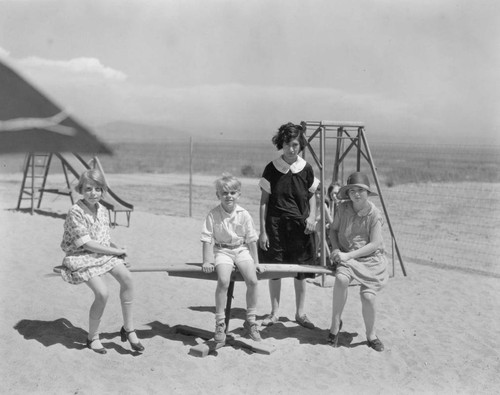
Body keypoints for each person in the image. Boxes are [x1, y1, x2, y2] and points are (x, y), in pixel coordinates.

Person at [60, 169, 144, 354]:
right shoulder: (75, 211)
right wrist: (116, 251)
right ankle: (92, 338)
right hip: (81, 256)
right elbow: (88, 244)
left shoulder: (103, 210)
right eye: (89, 189)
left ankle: (129, 329)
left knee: (127, 279)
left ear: (103, 191)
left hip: (101, 253)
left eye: (98, 189)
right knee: (102, 293)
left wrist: (119, 254)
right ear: (81, 189)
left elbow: (103, 240)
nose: (93, 193)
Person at [258, 122, 319, 329]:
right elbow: (264, 202)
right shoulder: (272, 168)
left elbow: (312, 196)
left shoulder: (306, 168)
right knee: (275, 270)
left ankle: (300, 314)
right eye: (287, 144)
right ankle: (274, 313)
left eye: (295, 144)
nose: (291, 149)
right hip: (275, 228)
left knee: (300, 271)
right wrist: (263, 232)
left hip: (300, 228)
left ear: (300, 145)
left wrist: (312, 218)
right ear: (280, 144)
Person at [327, 171, 388, 352]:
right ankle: (335, 325)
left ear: (367, 192)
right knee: (341, 279)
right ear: (348, 193)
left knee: (368, 297)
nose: (356, 194)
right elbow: (333, 231)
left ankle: (371, 335)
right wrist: (336, 249)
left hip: (371, 259)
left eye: (360, 190)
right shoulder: (342, 208)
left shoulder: (374, 214)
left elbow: (375, 244)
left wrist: (348, 256)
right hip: (347, 255)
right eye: (352, 190)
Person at [201, 173, 263, 343]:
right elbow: (206, 239)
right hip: (222, 251)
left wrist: (256, 262)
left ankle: (250, 321)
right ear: (218, 195)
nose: (229, 196)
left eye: (232, 193)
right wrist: (207, 261)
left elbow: (251, 240)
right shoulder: (213, 215)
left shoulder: (244, 214)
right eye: (224, 193)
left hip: (241, 250)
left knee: (253, 280)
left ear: (238, 194)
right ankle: (220, 323)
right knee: (223, 281)